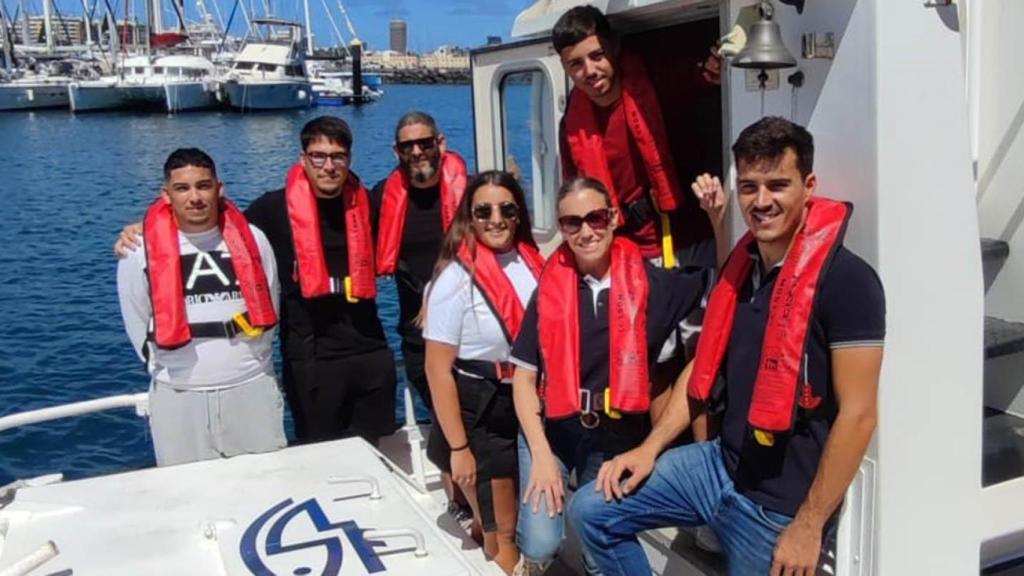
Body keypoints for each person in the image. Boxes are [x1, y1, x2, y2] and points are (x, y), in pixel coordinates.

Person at [569, 117, 886, 576]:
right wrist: (650, 447)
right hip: (719, 466)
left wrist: (809, 524)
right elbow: (701, 370)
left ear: (809, 185)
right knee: (592, 511)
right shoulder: (742, 269)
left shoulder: (847, 281)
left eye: (778, 185)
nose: (761, 202)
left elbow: (859, 414)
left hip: (778, 506)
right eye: (750, 187)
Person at [117, 116, 396, 446]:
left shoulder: (369, 205)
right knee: (320, 458)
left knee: (374, 449)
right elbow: (210, 224)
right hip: (311, 361)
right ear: (303, 159)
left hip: (370, 351)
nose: (329, 166)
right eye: (318, 156)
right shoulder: (271, 209)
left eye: (338, 157)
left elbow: (419, 221)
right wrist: (145, 225)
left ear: (349, 159)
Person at [509, 177, 715, 575]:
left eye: (596, 217)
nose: (586, 231)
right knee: (541, 540)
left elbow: (722, 288)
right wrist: (540, 458)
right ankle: (531, 564)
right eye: (571, 222)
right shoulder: (551, 288)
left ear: (614, 218)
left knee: (595, 540)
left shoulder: (656, 285)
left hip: (613, 437)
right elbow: (522, 377)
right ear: (562, 227)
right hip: (550, 430)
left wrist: (717, 219)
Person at [117, 148, 286, 466]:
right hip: (179, 395)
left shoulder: (254, 239)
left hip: (250, 387)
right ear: (166, 195)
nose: (194, 197)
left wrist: (251, 362)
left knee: (265, 483)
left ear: (219, 189)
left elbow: (271, 298)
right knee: (186, 495)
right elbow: (136, 318)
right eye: (183, 188)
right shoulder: (137, 251)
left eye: (203, 186)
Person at [422, 171, 545, 573]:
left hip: (528, 398)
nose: (496, 219)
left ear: (518, 214)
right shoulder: (454, 281)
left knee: (519, 514)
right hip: (483, 406)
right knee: (501, 531)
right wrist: (459, 449)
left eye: (507, 209)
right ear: (469, 217)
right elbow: (437, 369)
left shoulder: (533, 261)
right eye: (484, 210)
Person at [553, 5, 726, 268]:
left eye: (597, 55)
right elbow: (573, 195)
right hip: (623, 251)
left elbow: (699, 78)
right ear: (565, 68)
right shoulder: (571, 126)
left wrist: (716, 68)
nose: (589, 71)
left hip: (689, 239)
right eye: (576, 64)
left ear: (613, 49)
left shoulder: (656, 87)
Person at [370, 111, 473, 525]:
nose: (417, 152)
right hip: (420, 337)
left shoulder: (472, 195)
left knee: (476, 421)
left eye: (424, 143)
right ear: (397, 152)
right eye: (407, 146)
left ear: (440, 143)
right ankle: (460, 506)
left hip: (474, 333)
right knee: (444, 422)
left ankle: (490, 506)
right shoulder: (381, 197)